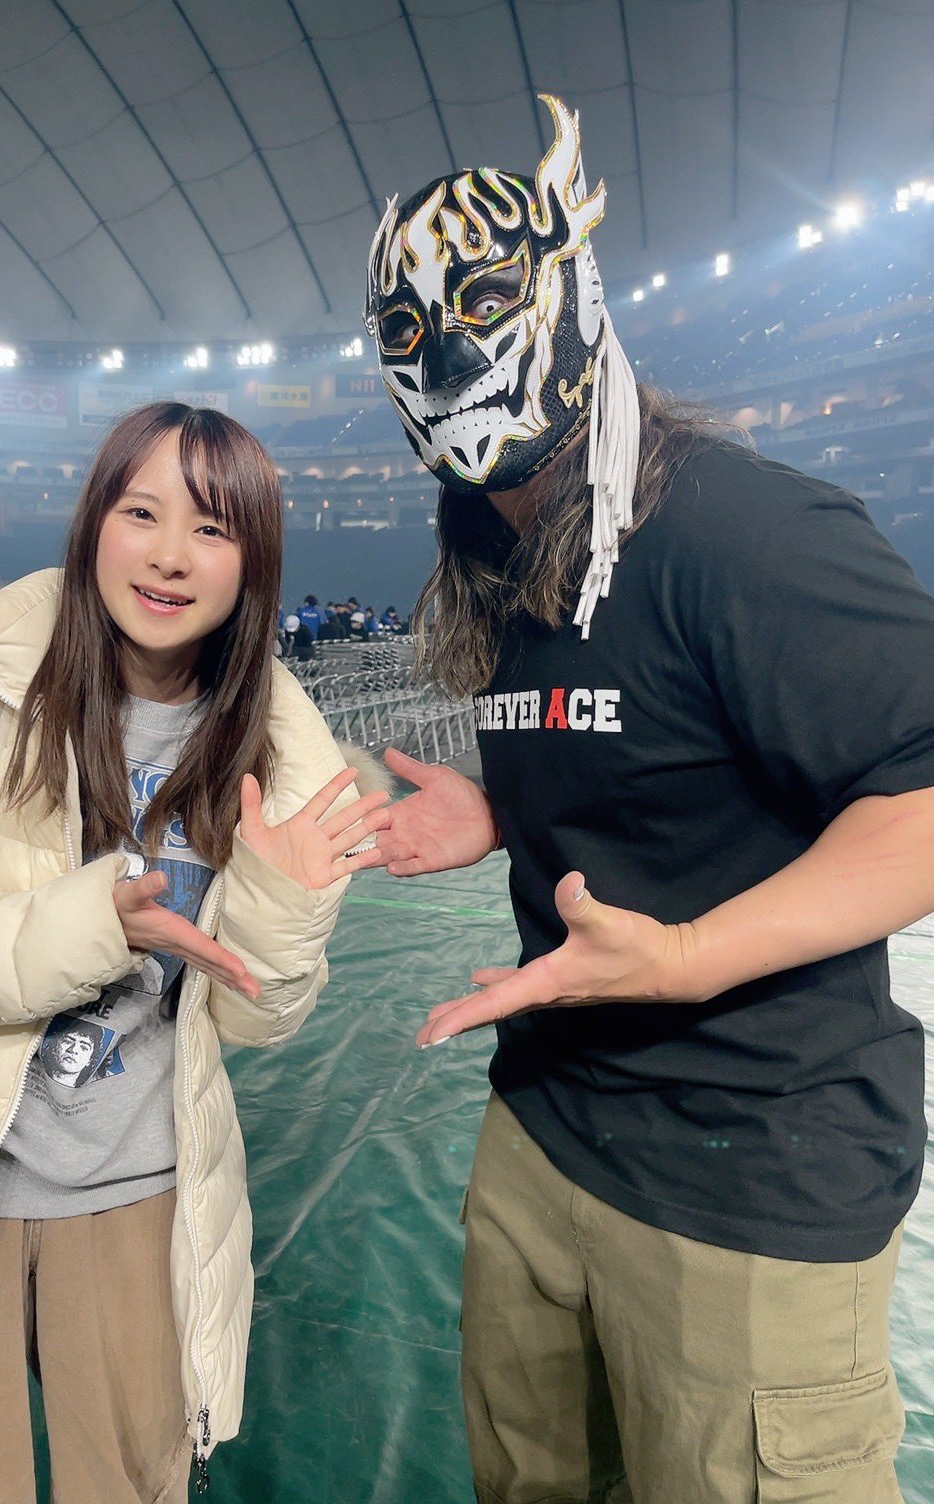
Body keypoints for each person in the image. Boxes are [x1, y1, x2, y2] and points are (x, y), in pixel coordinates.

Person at [366, 95, 934, 1504]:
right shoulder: (498, 548)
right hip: (547, 1130)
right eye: (407, 326)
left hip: (751, 1181)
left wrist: (683, 957)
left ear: (569, 292)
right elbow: (646, 733)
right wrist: (506, 806)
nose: (446, 352)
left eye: (483, 300)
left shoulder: (744, 529)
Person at [0, 402, 390, 1504]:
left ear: (253, 565)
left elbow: (258, 1016)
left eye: (212, 528)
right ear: (93, 523)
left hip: (139, 1194)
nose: (170, 555)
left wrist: (285, 902)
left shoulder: (278, 751)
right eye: (141, 513)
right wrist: (92, 928)